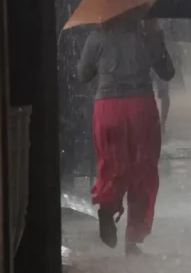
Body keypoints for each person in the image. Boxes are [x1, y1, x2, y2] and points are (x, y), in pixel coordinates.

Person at [77, 16, 174, 255]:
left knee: (110, 165)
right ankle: (133, 239)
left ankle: (107, 208)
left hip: (108, 108)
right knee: (143, 170)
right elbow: (168, 72)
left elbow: (82, 75)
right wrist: (156, 39)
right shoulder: (147, 37)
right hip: (141, 107)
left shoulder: (96, 38)